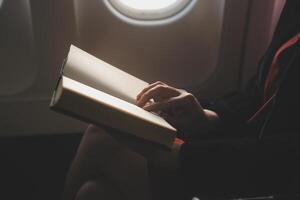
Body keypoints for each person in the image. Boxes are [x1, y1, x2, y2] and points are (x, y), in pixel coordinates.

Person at [62, 0, 300, 199]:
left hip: (265, 178)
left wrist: (182, 158)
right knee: (92, 193)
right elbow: (259, 93)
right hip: (248, 157)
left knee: (102, 139)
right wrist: (209, 118)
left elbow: (286, 161)